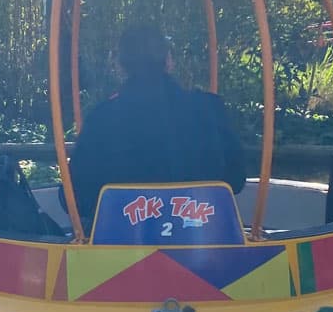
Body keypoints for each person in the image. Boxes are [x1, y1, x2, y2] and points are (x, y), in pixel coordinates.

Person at [66, 23, 246, 226]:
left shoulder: (101, 119)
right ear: (168, 61)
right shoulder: (209, 109)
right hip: (205, 240)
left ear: (120, 66)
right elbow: (236, 179)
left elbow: (73, 198)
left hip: (121, 241)